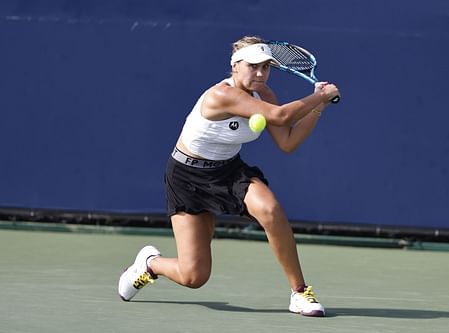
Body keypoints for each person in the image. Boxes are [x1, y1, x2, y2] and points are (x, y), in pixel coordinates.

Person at [118, 35, 340, 317]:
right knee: (193, 276)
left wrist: (319, 107)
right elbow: (283, 116)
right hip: (187, 178)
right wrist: (318, 95)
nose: (260, 73)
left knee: (271, 210)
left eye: (266, 67)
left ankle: (300, 293)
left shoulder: (265, 95)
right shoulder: (221, 95)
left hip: (228, 171)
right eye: (253, 66)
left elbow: (288, 141)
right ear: (235, 66)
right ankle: (149, 264)